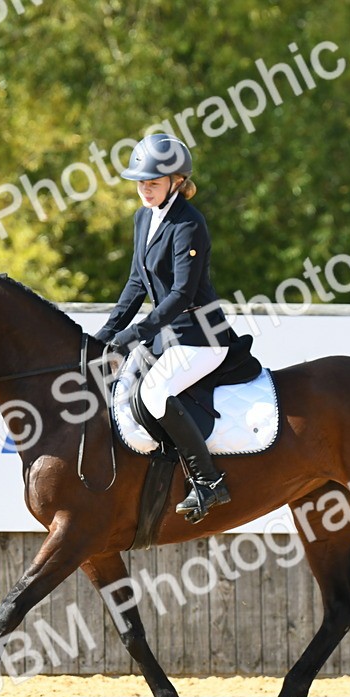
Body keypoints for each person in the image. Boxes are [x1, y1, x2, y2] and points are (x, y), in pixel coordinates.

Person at [94, 133, 236, 523]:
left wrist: (133, 335)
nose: (145, 189)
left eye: (153, 182)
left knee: (155, 393)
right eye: (140, 182)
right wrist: (105, 334)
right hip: (167, 336)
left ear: (177, 181)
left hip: (201, 336)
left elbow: (180, 295)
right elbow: (136, 283)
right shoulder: (143, 217)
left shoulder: (189, 223)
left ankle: (208, 481)